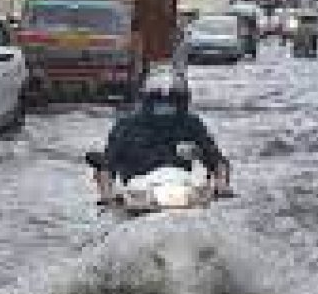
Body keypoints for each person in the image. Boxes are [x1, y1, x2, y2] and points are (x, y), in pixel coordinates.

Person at [85, 74, 230, 203]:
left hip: (183, 184)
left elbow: (215, 158)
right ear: (146, 102)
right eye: (159, 104)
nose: (166, 108)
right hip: (138, 190)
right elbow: (107, 165)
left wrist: (221, 185)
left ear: (183, 103)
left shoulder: (191, 124)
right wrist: (106, 194)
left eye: (172, 103)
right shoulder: (126, 126)